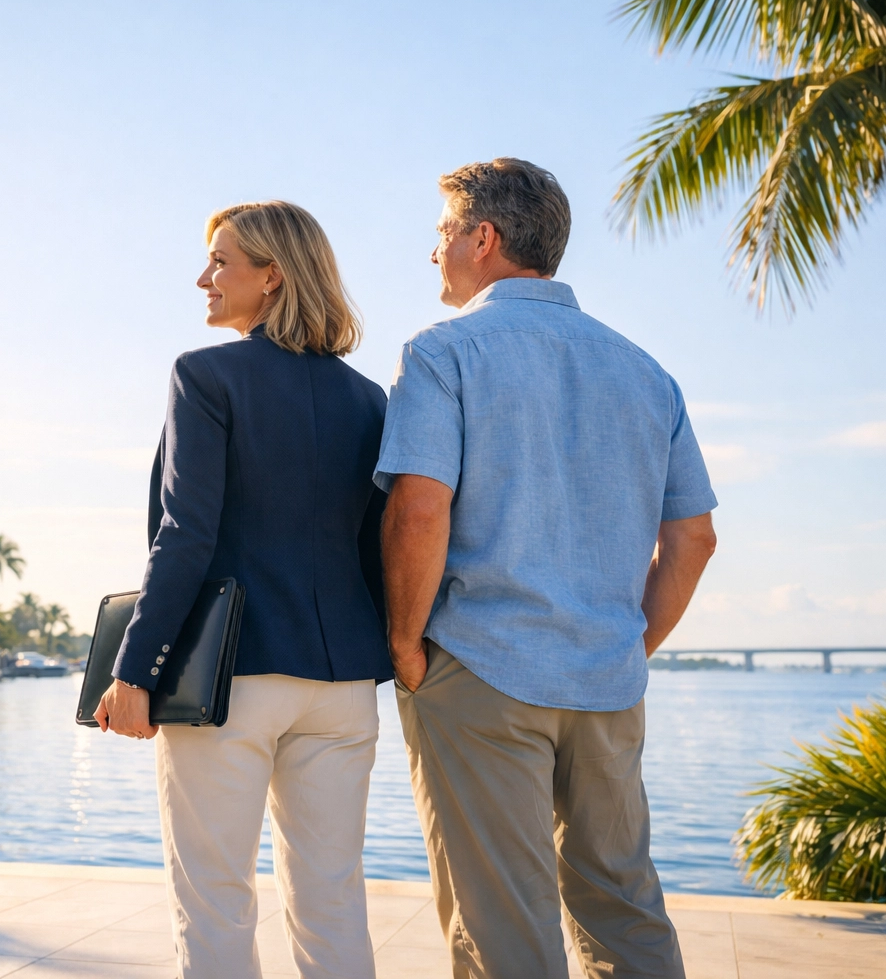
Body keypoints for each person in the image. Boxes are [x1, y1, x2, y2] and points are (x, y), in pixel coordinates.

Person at [377, 159, 717, 978]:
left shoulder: (443, 351)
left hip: (481, 669)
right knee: (625, 905)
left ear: (483, 239)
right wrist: (629, 645)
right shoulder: (645, 370)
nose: (435, 255)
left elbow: (420, 511)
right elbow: (695, 539)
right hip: (606, 680)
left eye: (442, 235)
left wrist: (404, 647)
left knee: (504, 924)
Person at [93, 201, 392, 979]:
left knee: (216, 901)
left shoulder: (205, 375)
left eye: (221, 261)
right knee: (333, 903)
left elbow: (184, 535)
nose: (204, 277)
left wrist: (135, 672)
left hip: (231, 682)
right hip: (342, 690)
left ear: (273, 276)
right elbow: (375, 551)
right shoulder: (370, 400)